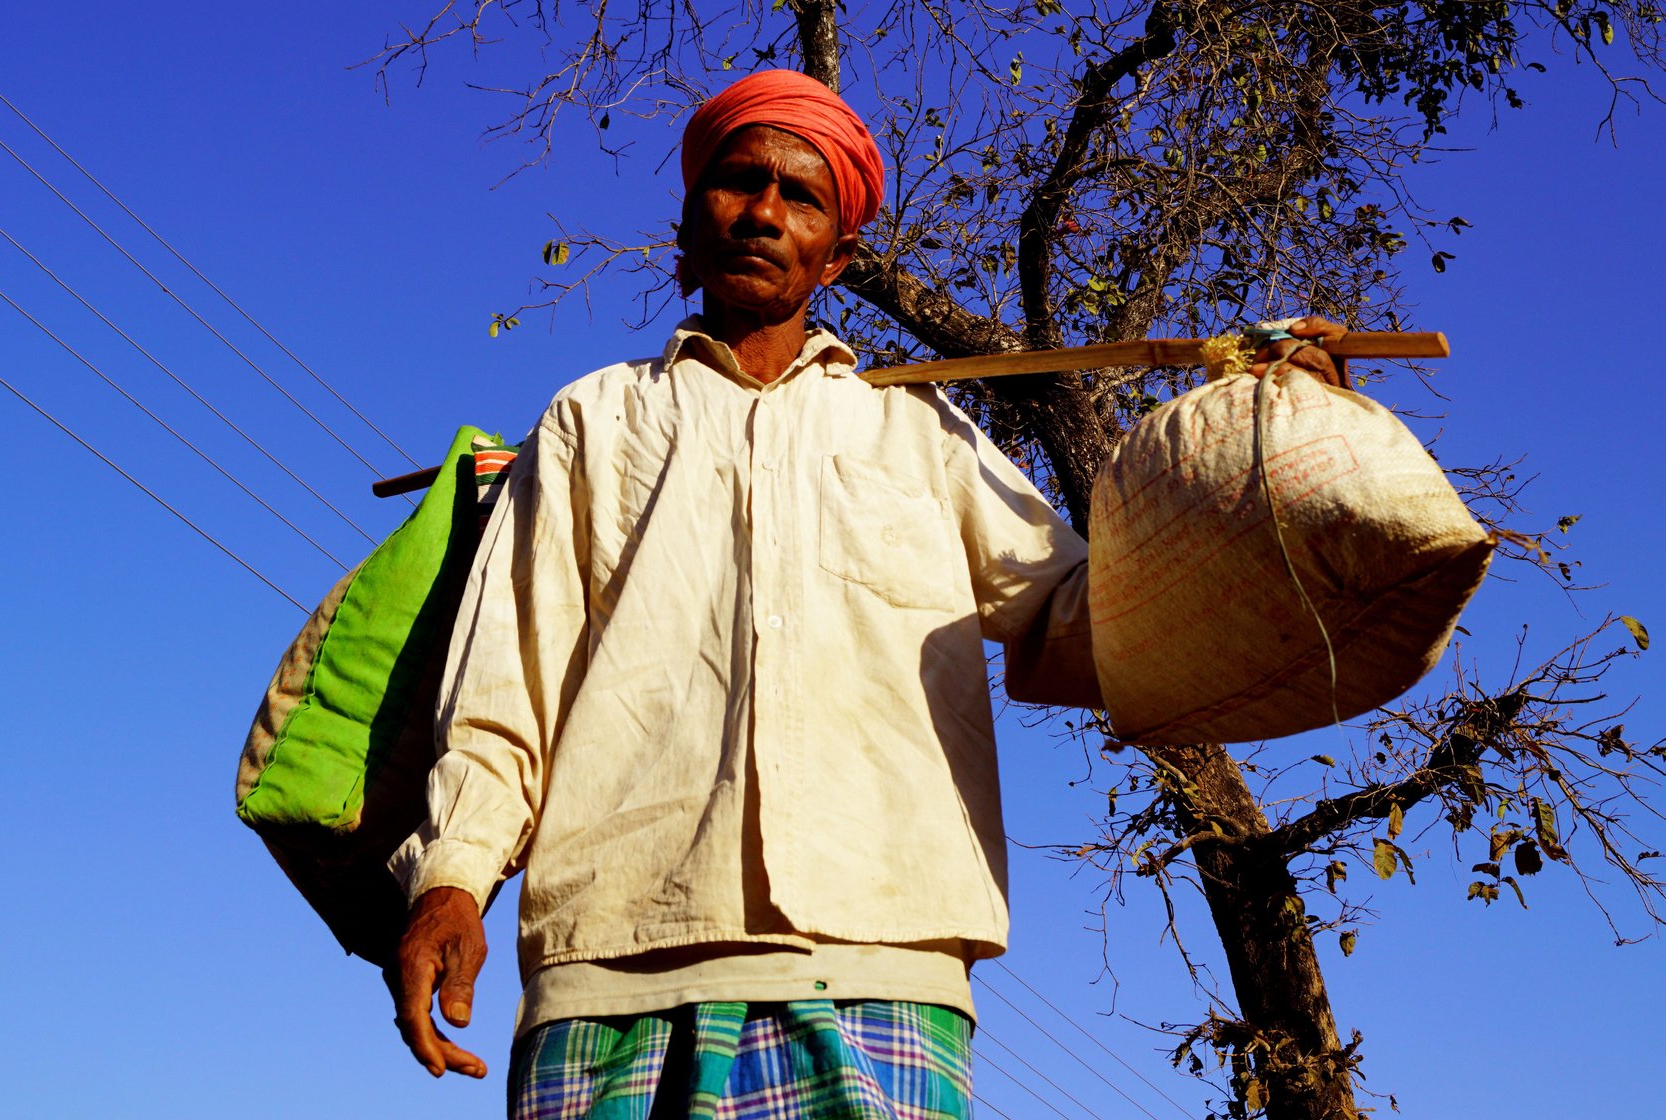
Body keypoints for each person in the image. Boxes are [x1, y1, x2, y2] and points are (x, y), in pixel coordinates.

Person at [387, 68, 1348, 1118]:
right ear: (687, 216)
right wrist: (454, 877)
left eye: (800, 196)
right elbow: (501, 687)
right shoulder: (593, 422)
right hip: (612, 960)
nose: (762, 211)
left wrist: (1272, 454)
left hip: (881, 973)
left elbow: (1091, 621)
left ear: (837, 255)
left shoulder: (924, 438)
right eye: (736, 181)